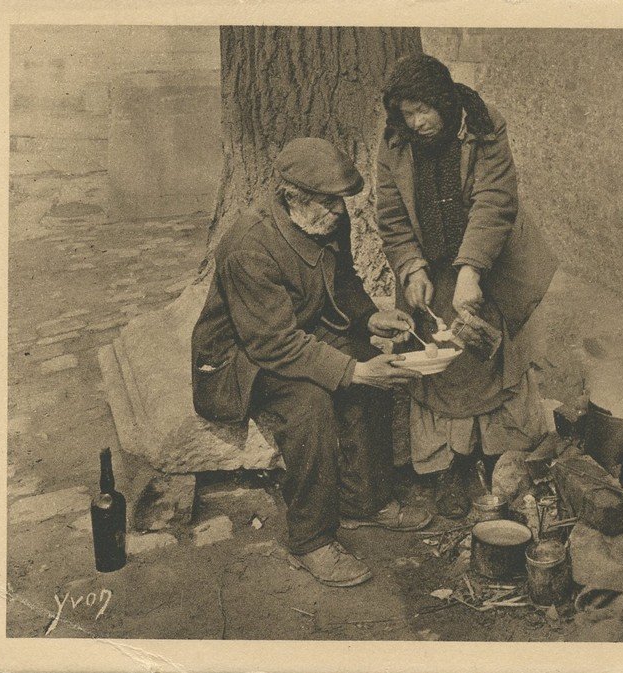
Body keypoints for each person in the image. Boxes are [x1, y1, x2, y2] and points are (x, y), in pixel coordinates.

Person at [191, 137, 432, 588]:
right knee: (310, 403)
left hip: (293, 332)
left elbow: (342, 280)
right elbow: (271, 344)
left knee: (371, 372)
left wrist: (369, 317)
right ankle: (311, 540)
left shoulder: (322, 220)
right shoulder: (248, 244)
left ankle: (363, 501)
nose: (340, 212)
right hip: (241, 357)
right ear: (294, 198)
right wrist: (352, 371)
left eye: (341, 201)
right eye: (329, 202)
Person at [376, 54, 557, 517]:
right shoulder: (395, 142)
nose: (417, 123)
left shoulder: (481, 124)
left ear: (443, 100)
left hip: (488, 256)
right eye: (407, 113)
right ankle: (448, 469)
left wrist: (471, 271)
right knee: (440, 365)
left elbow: (494, 200)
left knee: (487, 355)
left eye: (425, 110)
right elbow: (393, 215)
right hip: (430, 259)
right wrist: (411, 267)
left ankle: (493, 462)